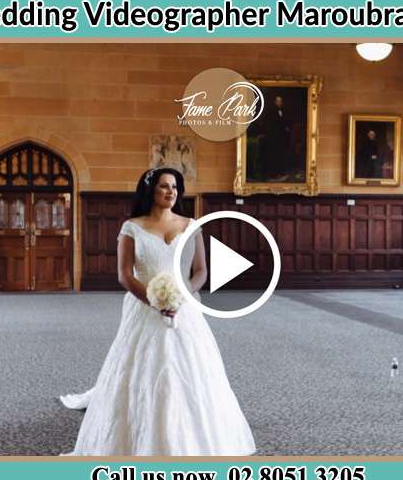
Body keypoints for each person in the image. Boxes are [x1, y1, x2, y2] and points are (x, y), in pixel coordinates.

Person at [60, 167, 256, 456]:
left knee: (191, 369)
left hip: (184, 308)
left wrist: (181, 298)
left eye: (175, 187)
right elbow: (125, 276)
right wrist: (156, 301)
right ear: (150, 190)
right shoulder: (132, 227)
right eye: (164, 186)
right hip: (143, 306)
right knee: (141, 367)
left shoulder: (191, 225)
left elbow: (200, 271)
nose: (171, 192)